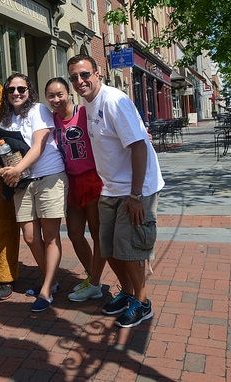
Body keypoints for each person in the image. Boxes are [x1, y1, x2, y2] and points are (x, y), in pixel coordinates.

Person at [67, 55, 164, 328]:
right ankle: (128, 292)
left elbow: (139, 146)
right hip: (110, 186)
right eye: (74, 77)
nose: (79, 81)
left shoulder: (114, 101)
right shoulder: (87, 105)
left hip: (136, 188)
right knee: (107, 246)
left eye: (84, 74)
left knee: (130, 249)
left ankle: (142, 303)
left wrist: (135, 196)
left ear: (98, 74)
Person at [0, 73, 67, 313]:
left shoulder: (39, 110)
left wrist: (15, 169)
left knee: (50, 235)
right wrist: (3, 170)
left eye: (21, 89)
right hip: (22, 182)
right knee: (29, 236)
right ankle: (51, 279)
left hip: (48, 176)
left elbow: (38, 146)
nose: (16, 93)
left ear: (29, 91)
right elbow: (3, 151)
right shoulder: (6, 119)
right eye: (11, 90)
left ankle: (46, 289)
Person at [44, 77, 106, 302]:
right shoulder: (52, 120)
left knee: (98, 234)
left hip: (92, 179)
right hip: (71, 181)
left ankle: (96, 281)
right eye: (51, 95)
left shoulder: (84, 113)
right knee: (75, 233)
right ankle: (93, 277)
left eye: (60, 94)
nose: (56, 99)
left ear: (69, 93)